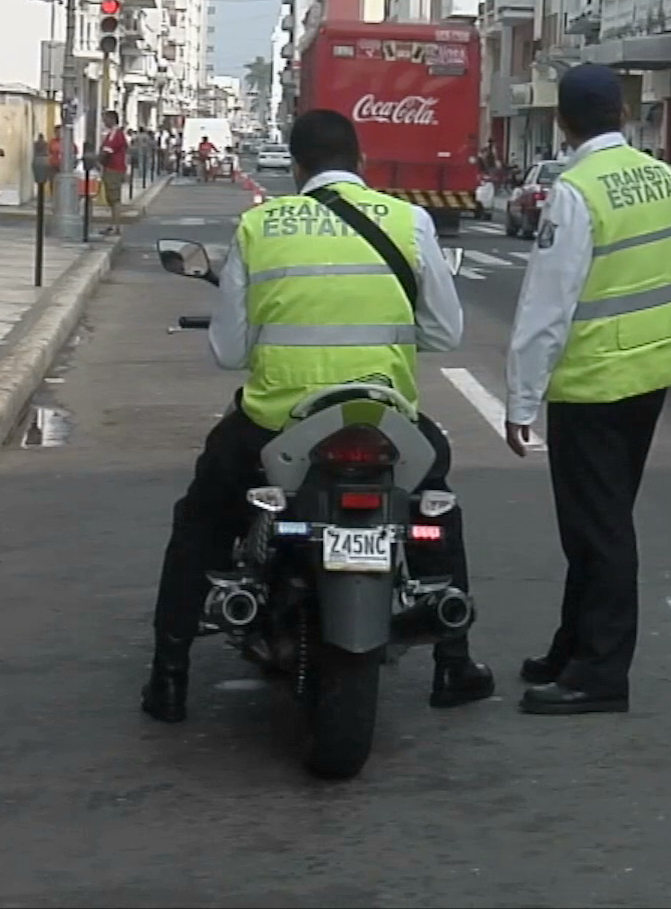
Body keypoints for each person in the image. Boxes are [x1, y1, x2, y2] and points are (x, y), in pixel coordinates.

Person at [140, 109, 495, 724]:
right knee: (434, 509)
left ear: (296, 168)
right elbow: (445, 331)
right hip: (383, 425)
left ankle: (169, 674)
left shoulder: (259, 226)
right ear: (359, 163)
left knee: (201, 519)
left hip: (276, 429)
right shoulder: (408, 221)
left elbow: (228, 352)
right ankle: (453, 661)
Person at [502, 63, 671, 716]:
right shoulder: (661, 176)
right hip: (654, 370)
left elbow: (545, 308)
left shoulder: (576, 191)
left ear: (562, 123)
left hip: (596, 381)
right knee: (599, 522)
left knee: (598, 529)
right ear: (622, 114)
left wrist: (521, 402)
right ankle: (573, 647)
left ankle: (601, 673)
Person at [98, 111, 127, 236]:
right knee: (111, 198)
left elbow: (107, 151)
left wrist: (96, 160)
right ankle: (113, 224)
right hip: (113, 168)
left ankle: (116, 226)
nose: (104, 122)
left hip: (113, 168)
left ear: (111, 119)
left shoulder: (114, 134)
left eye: (105, 119)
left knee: (114, 198)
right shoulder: (114, 133)